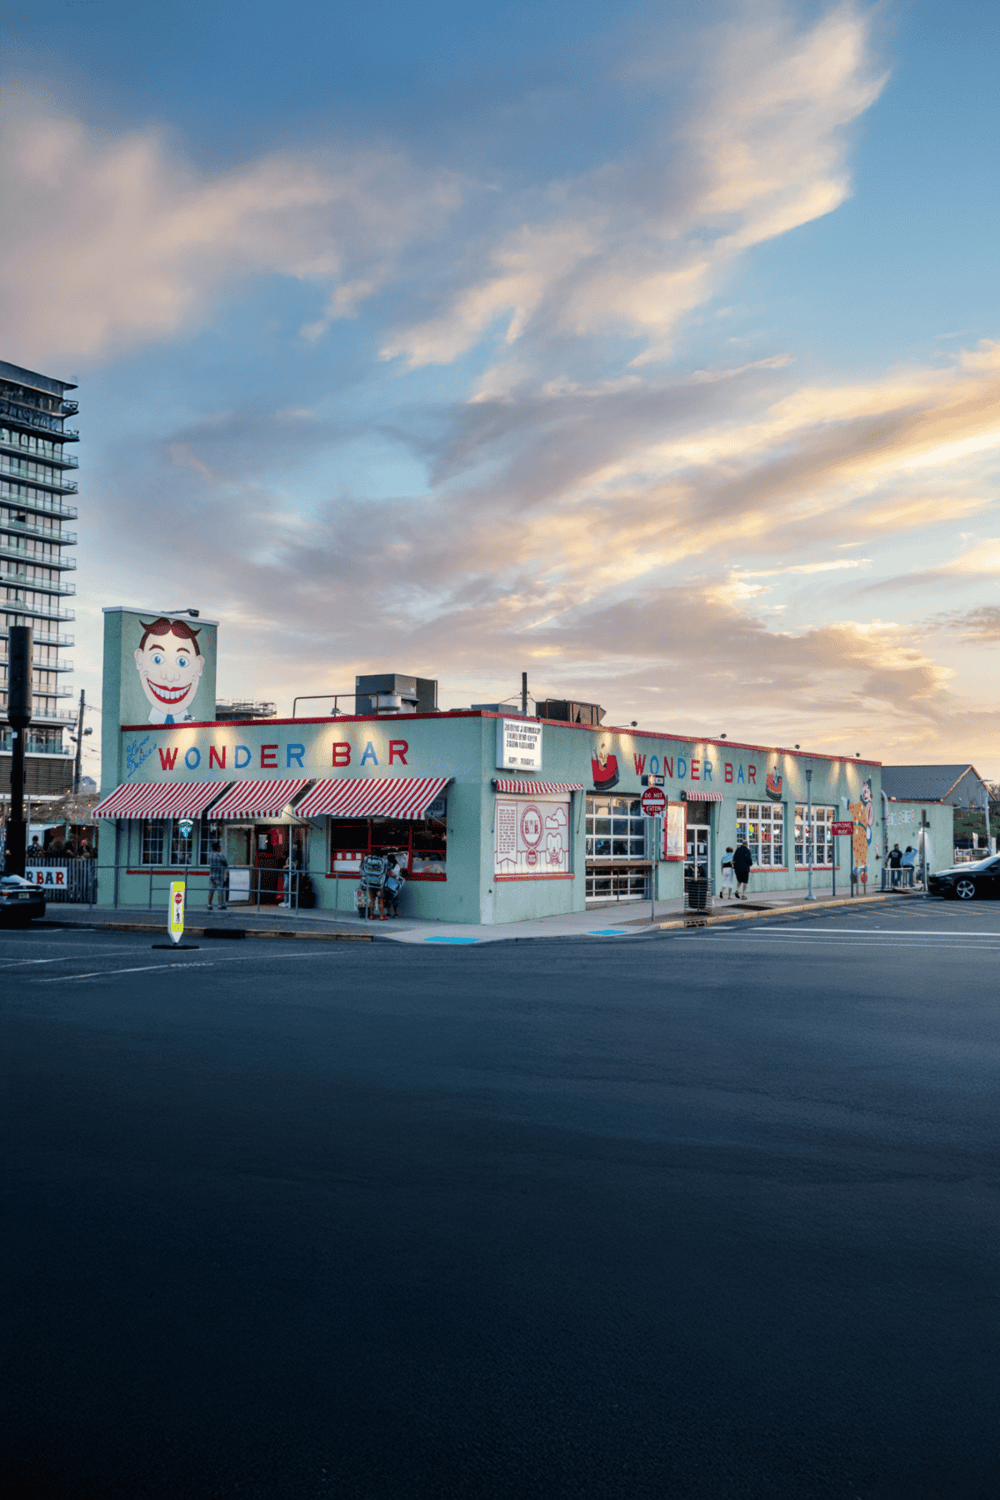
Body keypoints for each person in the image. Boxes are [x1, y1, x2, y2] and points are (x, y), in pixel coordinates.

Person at [207, 840, 229, 910]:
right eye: (220, 847)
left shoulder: (210, 855)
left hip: (212, 876)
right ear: (217, 848)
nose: (221, 848)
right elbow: (226, 864)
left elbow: (208, 863)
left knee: (211, 891)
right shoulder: (221, 855)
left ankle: (209, 905)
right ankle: (220, 905)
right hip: (219, 877)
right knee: (220, 891)